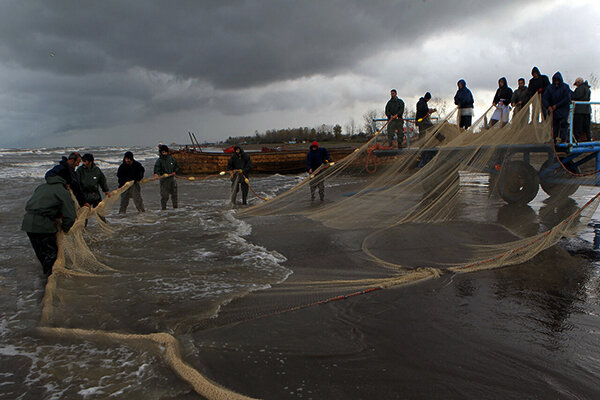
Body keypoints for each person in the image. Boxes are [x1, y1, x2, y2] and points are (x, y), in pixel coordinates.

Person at [21, 172, 77, 275]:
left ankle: (43, 281)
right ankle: (49, 282)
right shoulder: (62, 191)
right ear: (66, 183)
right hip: (44, 226)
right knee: (51, 255)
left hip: (28, 224)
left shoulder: (41, 187)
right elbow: (70, 216)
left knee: (41, 254)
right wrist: (64, 229)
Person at [542, 72, 571, 143]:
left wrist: (557, 105)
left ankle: (563, 139)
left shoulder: (565, 87)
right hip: (553, 110)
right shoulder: (550, 88)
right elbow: (545, 98)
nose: (556, 81)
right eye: (555, 80)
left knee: (564, 124)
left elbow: (566, 98)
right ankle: (554, 139)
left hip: (563, 109)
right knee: (554, 125)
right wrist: (548, 106)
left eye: (558, 80)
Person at [153, 144, 179, 210]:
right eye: (163, 152)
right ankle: (163, 209)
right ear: (161, 152)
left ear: (167, 152)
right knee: (165, 196)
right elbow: (156, 169)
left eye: (165, 152)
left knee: (174, 195)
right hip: (164, 180)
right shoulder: (159, 161)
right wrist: (156, 174)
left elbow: (176, 166)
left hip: (172, 179)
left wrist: (175, 172)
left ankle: (175, 208)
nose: (164, 153)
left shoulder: (172, 159)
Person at [572, 77, 592, 142]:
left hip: (579, 110)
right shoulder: (587, 89)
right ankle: (588, 138)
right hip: (587, 110)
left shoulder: (580, 89)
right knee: (587, 126)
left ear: (578, 83)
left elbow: (576, 96)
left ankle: (577, 139)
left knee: (578, 125)